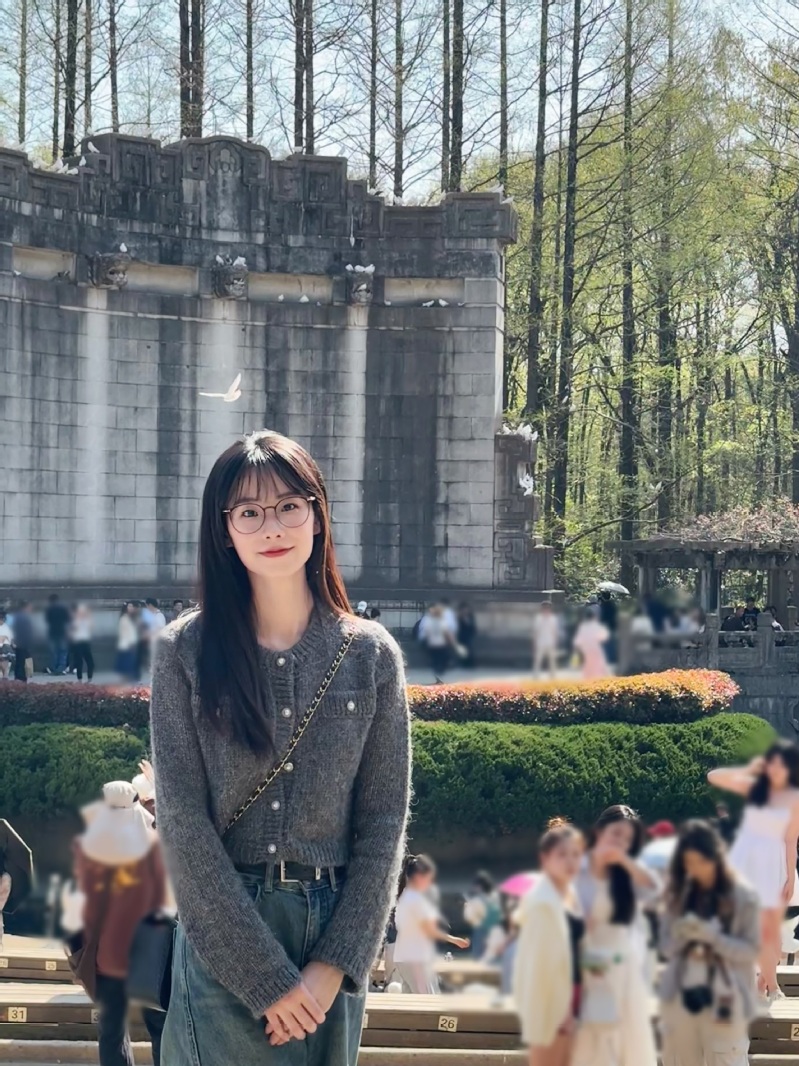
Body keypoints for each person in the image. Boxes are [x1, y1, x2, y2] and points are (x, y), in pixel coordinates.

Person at [150, 429, 411, 1066]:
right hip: (225, 930)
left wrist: (336, 963)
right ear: (225, 530)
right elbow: (182, 821)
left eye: (290, 506)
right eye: (249, 511)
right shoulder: (184, 652)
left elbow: (383, 822)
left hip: (332, 935)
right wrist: (263, 976)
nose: (272, 527)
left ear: (318, 516)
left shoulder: (371, 655)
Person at [75, 781, 168, 1066]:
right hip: (151, 954)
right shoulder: (156, 846)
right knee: (161, 1029)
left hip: (108, 958)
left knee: (112, 1032)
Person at [659, 819, 759, 1066]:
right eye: (688, 863)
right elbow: (665, 946)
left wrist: (715, 939)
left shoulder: (742, 895)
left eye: (701, 862)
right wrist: (681, 937)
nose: (696, 869)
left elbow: (751, 950)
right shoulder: (679, 893)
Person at [708, 740, 799, 999]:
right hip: (748, 862)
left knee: (772, 933)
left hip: (776, 864)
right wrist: (749, 769)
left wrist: (790, 877)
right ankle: (771, 987)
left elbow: (790, 840)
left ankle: (765, 985)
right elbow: (714, 776)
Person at [571, 805, 659, 1066]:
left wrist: (624, 862)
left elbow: (656, 891)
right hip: (584, 962)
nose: (620, 842)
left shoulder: (626, 874)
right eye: (616, 834)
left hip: (622, 965)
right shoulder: (577, 866)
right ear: (599, 831)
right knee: (592, 1041)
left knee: (626, 1042)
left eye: (627, 839)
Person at [512, 818, 584, 1066]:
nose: (570, 861)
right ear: (545, 858)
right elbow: (539, 959)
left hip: (576, 993)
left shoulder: (572, 894)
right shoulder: (541, 899)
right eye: (562, 855)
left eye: (575, 854)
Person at [392, 855, 470, 993]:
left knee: (409, 1001)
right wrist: (454, 940)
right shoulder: (416, 899)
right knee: (428, 999)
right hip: (416, 958)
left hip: (402, 956)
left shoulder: (404, 895)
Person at [464, 870, 502, 960]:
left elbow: (469, 917)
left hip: (481, 932)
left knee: (479, 958)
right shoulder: (495, 897)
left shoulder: (477, 900)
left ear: (479, 886)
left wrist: (468, 906)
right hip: (497, 931)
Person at [418, 603, 456, 682]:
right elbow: (426, 632)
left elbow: (446, 632)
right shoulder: (427, 620)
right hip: (433, 644)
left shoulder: (441, 620)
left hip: (440, 644)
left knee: (442, 659)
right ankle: (437, 675)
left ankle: (439, 674)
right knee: (436, 660)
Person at [572, 608, 610, 681]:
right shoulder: (597, 626)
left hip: (586, 650)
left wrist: (577, 649)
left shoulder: (583, 627)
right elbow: (604, 637)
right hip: (595, 649)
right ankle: (600, 681)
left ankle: (588, 681)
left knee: (588, 666)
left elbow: (577, 641)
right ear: (594, 617)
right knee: (599, 665)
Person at [45, 593, 71, 675]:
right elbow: (68, 619)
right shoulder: (63, 608)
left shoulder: (49, 609)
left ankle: (54, 668)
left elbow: (48, 620)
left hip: (52, 632)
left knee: (54, 651)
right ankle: (61, 668)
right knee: (63, 651)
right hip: (62, 631)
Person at [532, 602, 560, 676]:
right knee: (538, 660)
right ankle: (536, 675)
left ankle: (552, 675)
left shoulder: (553, 619)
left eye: (547, 609)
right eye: (545, 608)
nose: (546, 610)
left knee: (552, 661)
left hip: (550, 642)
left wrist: (555, 642)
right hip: (541, 642)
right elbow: (536, 631)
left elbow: (554, 631)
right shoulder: (539, 618)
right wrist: (535, 642)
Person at [71, 603, 95, 682]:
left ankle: (89, 678)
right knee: (79, 662)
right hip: (78, 642)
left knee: (90, 662)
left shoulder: (87, 620)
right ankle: (80, 679)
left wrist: (89, 616)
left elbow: (91, 627)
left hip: (86, 642)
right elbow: (74, 628)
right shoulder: (75, 620)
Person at [11, 601, 35, 682]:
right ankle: (21, 678)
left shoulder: (17, 616)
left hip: (18, 642)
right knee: (23, 661)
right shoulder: (24, 617)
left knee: (19, 661)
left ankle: (18, 677)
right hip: (23, 642)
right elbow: (27, 631)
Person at [115, 603, 139, 682]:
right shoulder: (124, 618)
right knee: (126, 661)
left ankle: (127, 677)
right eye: (130, 607)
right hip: (126, 643)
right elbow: (124, 632)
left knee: (129, 661)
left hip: (130, 642)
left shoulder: (130, 618)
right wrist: (130, 642)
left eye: (132, 606)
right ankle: (125, 678)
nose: (131, 608)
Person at [457, 603, 477, 668]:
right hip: (461, 637)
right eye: (464, 609)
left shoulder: (470, 617)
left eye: (466, 609)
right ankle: (463, 664)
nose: (465, 611)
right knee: (463, 651)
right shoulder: (459, 618)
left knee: (469, 649)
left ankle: (470, 664)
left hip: (469, 637)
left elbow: (473, 627)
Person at [0, 611, 14, 679]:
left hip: (4, 646)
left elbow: (6, 637)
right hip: (2, 645)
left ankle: (5, 675)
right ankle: (4, 675)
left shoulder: (6, 627)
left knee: (4, 661)